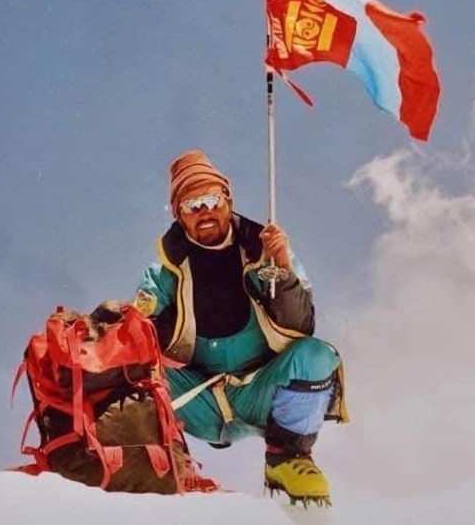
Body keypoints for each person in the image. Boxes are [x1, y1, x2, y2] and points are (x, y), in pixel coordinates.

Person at [132, 149, 348, 506]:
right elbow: (138, 329)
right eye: (192, 205)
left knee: (317, 355)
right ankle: (166, 466)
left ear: (228, 201)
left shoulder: (264, 251)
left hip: (261, 391)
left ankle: (287, 459)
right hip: (197, 399)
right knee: (133, 370)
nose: (204, 211)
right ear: (179, 215)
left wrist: (283, 268)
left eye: (211, 199)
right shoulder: (165, 270)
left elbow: (302, 325)